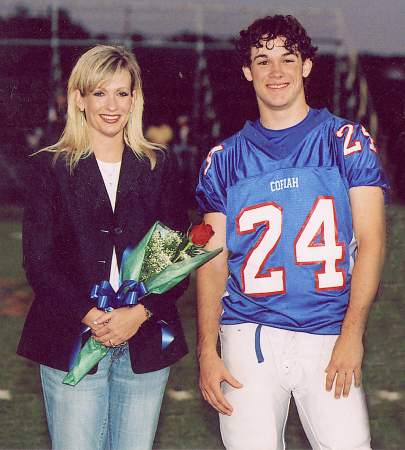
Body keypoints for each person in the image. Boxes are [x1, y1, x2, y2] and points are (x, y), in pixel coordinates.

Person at [195, 15, 390, 450]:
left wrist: (352, 335)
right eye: (262, 61)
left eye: (287, 58)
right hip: (248, 334)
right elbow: (211, 262)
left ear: (306, 65)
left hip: (327, 332)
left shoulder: (346, 141)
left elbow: (373, 242)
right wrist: (207, 350)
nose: (276, 71)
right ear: (247, 71)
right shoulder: (223, 159)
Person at [17, 44, 188, 450]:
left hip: (145, 339)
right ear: (79, 99)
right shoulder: (49, 167)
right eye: (99, 93)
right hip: (71, 337)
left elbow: (174, 260)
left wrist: (139, 313)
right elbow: (39, 264)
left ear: (135, 99)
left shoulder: (158, 166)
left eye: (122, 93)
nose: (111, 105)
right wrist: (92, 316)